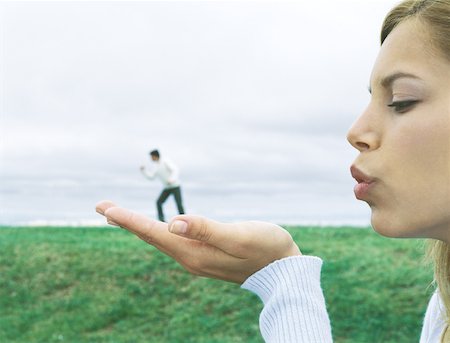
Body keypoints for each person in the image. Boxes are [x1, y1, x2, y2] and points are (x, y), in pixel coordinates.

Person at [96, 0, 450, 341]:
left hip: (173, 184)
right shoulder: (444, 307)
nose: (355, 131)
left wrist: (283, 277)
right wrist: (281, 272)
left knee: (171, 198)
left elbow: (169, 172)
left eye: (401, 100)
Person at [140, 149, 185, 222]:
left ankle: (185, 221)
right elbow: (151, 177)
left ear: (155, 156)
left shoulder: (165, 161)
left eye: (151, 157)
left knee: (179, 204)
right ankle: (161, 220)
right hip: (167, 188)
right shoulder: (156, 166)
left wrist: (172, 179)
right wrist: (143, 171)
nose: (151, 158)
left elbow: (175, 169)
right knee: (159, 202)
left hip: (175, 186)